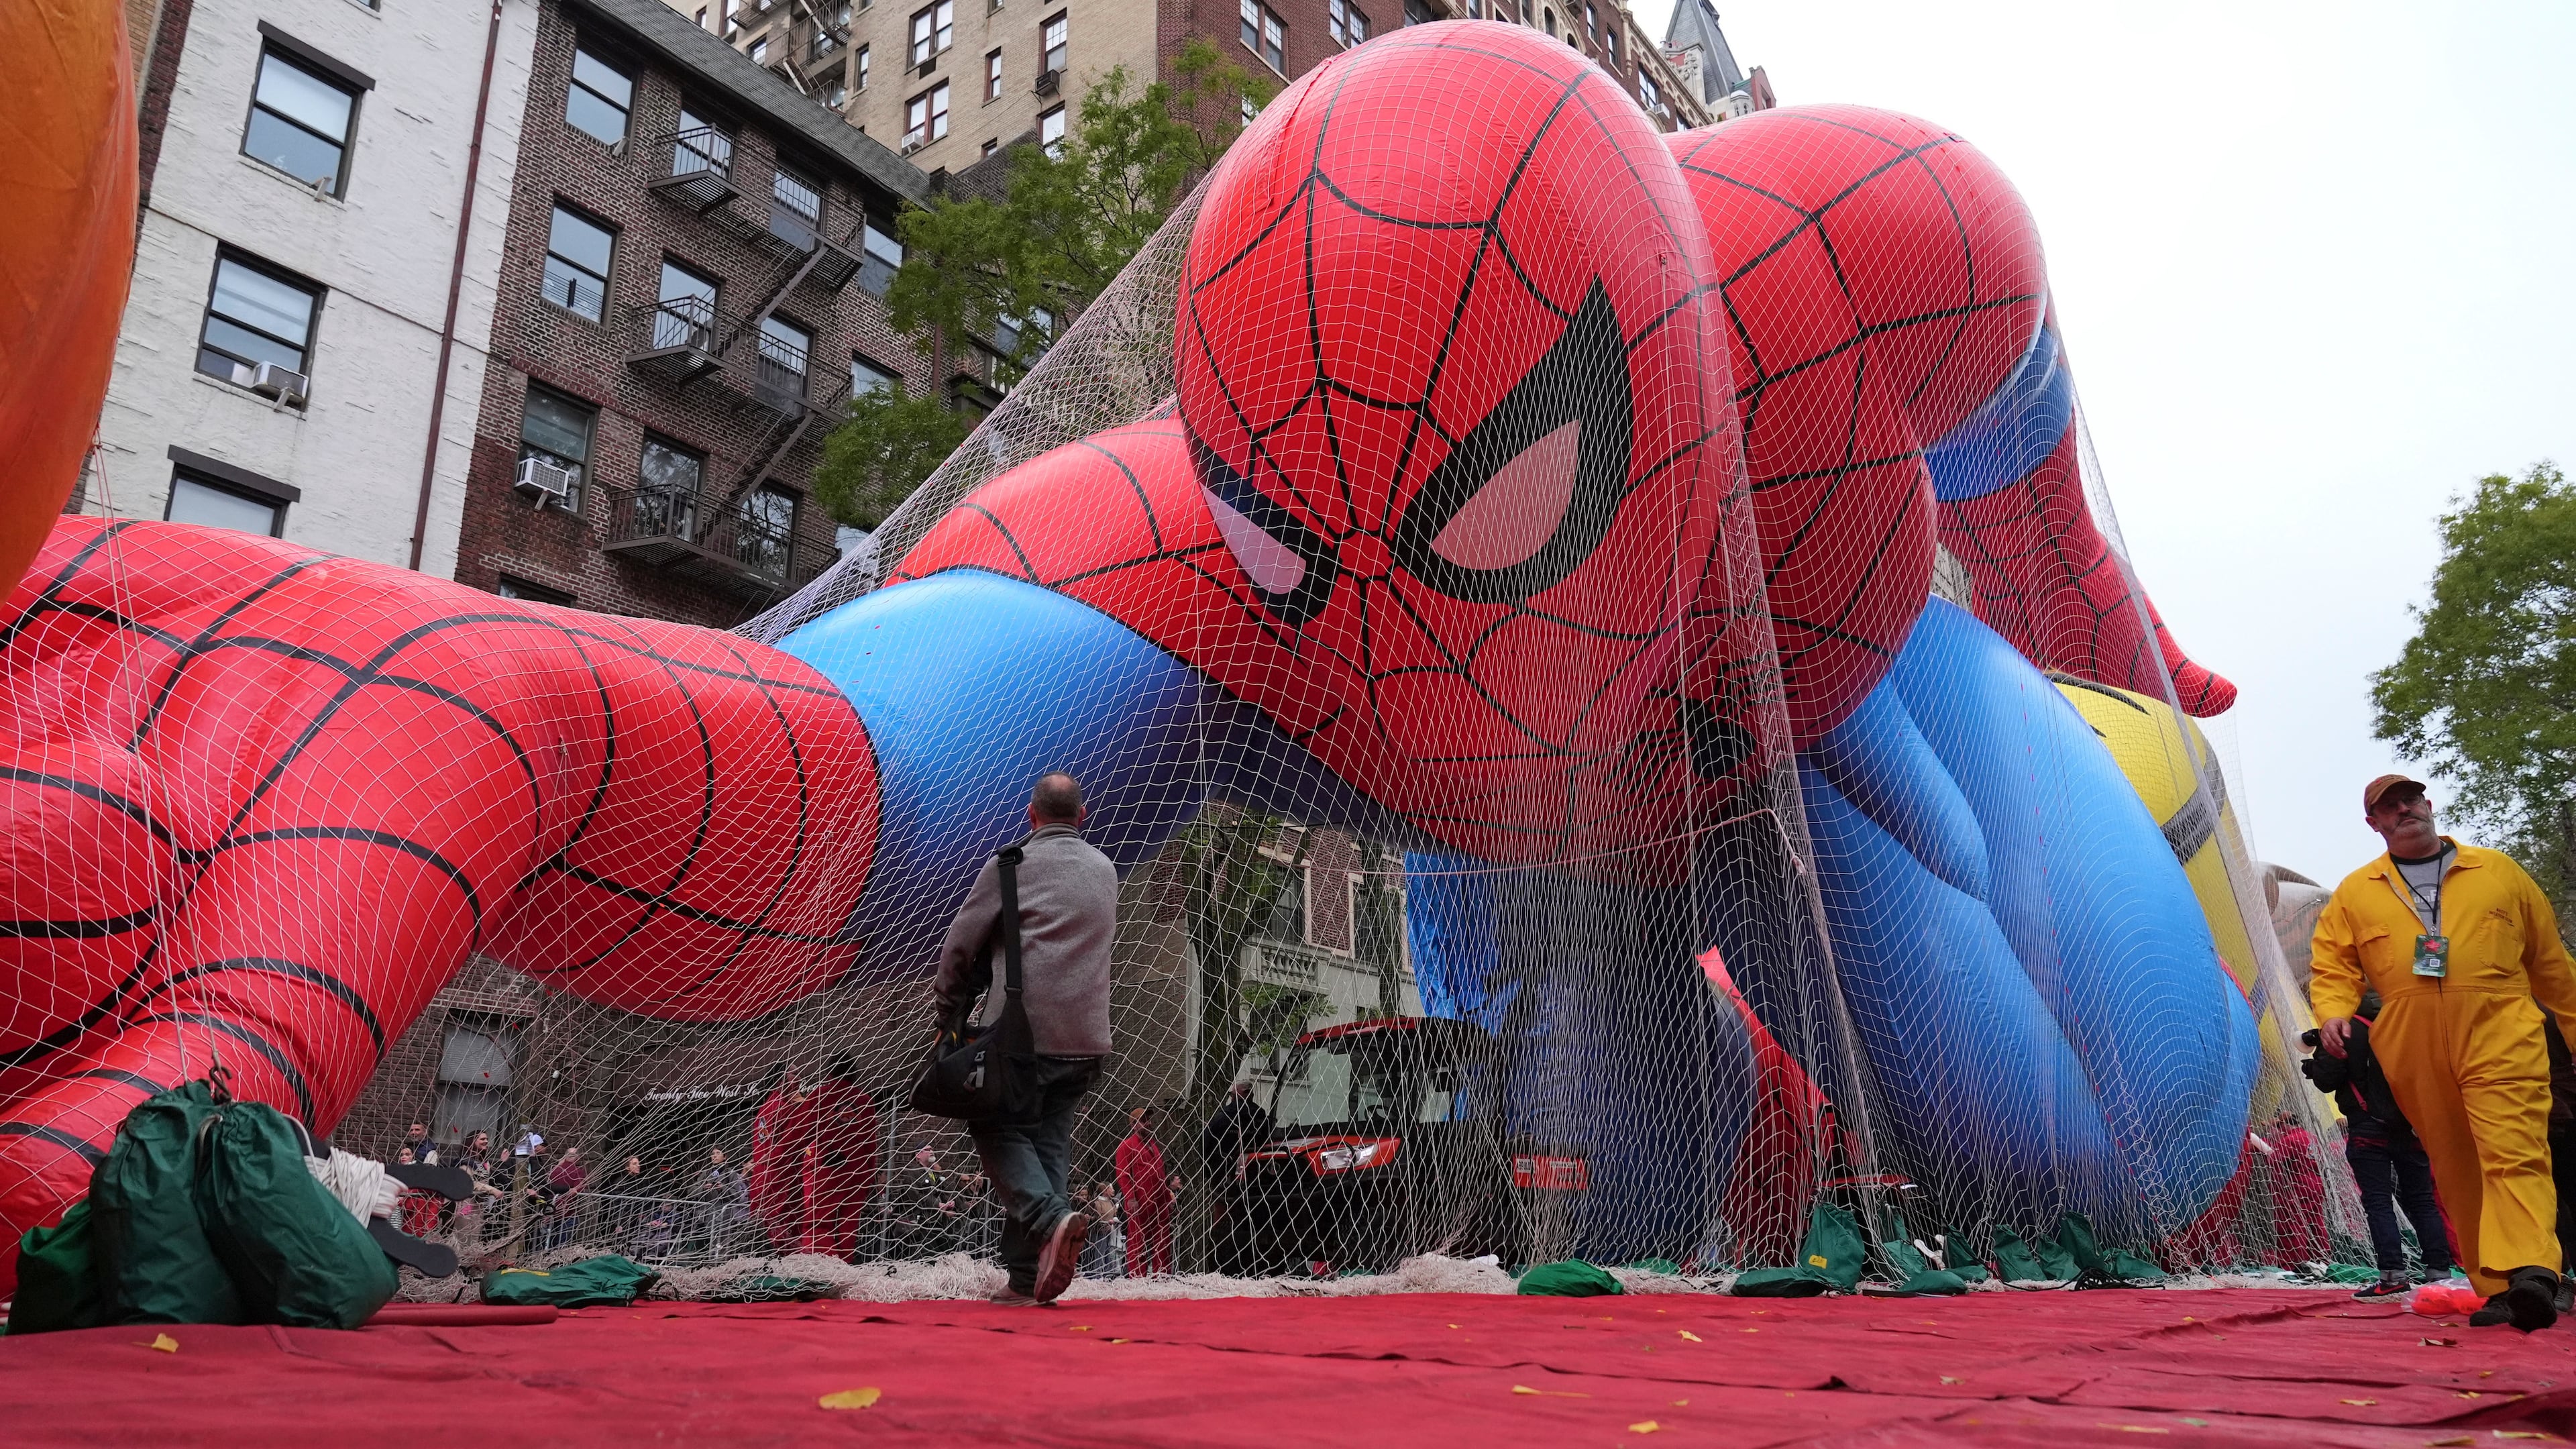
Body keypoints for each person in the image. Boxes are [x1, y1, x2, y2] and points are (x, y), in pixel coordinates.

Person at [2312, 774, 2576, 1330]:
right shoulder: (2358, 891)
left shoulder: (2499, 873)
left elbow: (2553, 968)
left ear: (2428, 806)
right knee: (2457, 1165)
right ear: (2375, 824)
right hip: (2411, 1041)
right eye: (2389, 807)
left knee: (2514, 1147)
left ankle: (2534, 1269)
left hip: (2500, 1027)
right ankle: (2498, 1286)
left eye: (2410, 799)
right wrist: (2332, 1010)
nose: (2404, 809)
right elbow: (2333, 964)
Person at [932, 771, 1118, 1305]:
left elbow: (959, 949)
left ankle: (1052, 1217)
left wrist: (948, 1016)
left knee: (993, 1125)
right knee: (1048, 1145)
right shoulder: (1106, 871)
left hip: (1020, 1036)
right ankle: (1022, 1278)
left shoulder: (1009, 864)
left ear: (1031, 816)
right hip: (1086, 1040)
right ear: (1082, 818)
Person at [2302, 995, 2457, 1297]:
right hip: (2411, 1127)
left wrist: (2313, 1067)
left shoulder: (2344, 1029)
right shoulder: (2406, 1025)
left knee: (2378, 1202)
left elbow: (2327, 1080)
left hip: (2367, 1125)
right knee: (2423, 1201)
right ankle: (2440, 1273)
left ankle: (2392, 1275)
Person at [1201, 1080, 1275, 1275]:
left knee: (1222, 1220)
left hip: (1224, 1178)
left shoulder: (1221, 1117)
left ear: (1233, 1095)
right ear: (1250, 1095)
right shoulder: (1260, 1116)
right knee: (1254, 1219)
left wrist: (1212, 1173)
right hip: (1255, 1180)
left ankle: (1220, 1266)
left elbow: (1205, 1146)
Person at [1116, 1105, 1175, 1278]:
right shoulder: (1126, 1146)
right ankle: (1138, 1277)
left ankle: (1162, 1276)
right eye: (1143, 1121)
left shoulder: (1153, 1146)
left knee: (1163, 1241)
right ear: (1134, 1125)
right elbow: (1124, 1175)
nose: (1148, 1123)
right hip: (1140, 1202)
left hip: (1158, 1202)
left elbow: (1161, 1175)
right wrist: (1131, 1198)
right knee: (1138, 1242)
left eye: (1148, 1120)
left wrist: (1167, 1198)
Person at [697, 1147, 751, 1259]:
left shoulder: (730, 1174)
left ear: (725, 1156)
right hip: (706, 1213)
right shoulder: (706, 1173)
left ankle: (718, 1263)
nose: (715, 1156)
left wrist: (723, 1188)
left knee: (720, 1241)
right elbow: (691, 1190)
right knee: (703, 1240)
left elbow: (737, 1195)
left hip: (723, 1215)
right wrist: (703, 1188)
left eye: (718, 1153)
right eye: (713, 1154)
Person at [1080, 1181, 1124, 1279]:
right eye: (1110, 1189)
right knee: (1100, 1253)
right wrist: (1102, 1221)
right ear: (1105, 1191)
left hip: (1110, 1232)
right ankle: (1097, 1275)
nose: (1113, 1190)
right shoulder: (1096, 1203)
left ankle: (1107, 1273)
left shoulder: (1111, 1202)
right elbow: (1095, 1218)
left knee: (1108, 1253)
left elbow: (1114, 1215)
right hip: (1100, 1233)